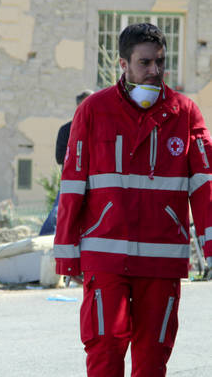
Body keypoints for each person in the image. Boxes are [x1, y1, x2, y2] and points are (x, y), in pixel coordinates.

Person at [54, 22, 212, 376]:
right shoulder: (94, 111)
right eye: (145, 63)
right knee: (104, 348)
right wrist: (67, 254)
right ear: (123, 65)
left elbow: (205, 186)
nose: (155, 71)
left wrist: (211, 245)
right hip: (105, 253)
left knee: (153, 358)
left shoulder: (184, 113)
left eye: (160, 62)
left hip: (161, 257)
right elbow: (72, 183)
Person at [39, 90, 93, 236]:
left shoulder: (100, 129)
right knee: (56, 216)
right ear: (78, 107)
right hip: (71, 182)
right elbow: (60, 157)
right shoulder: (66, 130)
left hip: (95, 183)